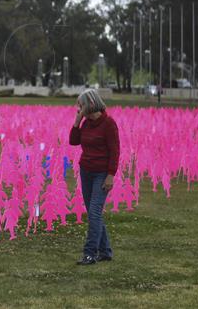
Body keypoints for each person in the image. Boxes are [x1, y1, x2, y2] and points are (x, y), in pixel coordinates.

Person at [69, 88, 120, 265]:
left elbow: (115, 152)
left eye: (81, 106)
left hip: (101, 173)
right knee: (94, 213)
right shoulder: (86, 123)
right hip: (86, 171)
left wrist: (110, 175)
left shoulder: (109, 124)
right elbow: (74, 141)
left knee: (94, 212)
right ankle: (105, 251)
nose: (79, 109)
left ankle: (90, 253)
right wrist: (77, 121)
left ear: (91, 104)